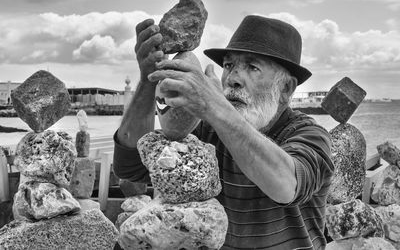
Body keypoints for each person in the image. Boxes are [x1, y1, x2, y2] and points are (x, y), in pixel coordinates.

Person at [113, 15, 334, 249]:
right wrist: (150, 78)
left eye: (252, 67)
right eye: (229, 65)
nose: (233, 79)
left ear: (286, 88)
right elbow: (130, 166)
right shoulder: (206, 130)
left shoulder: (310, 135)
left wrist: (213, 104)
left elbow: (286, 186)